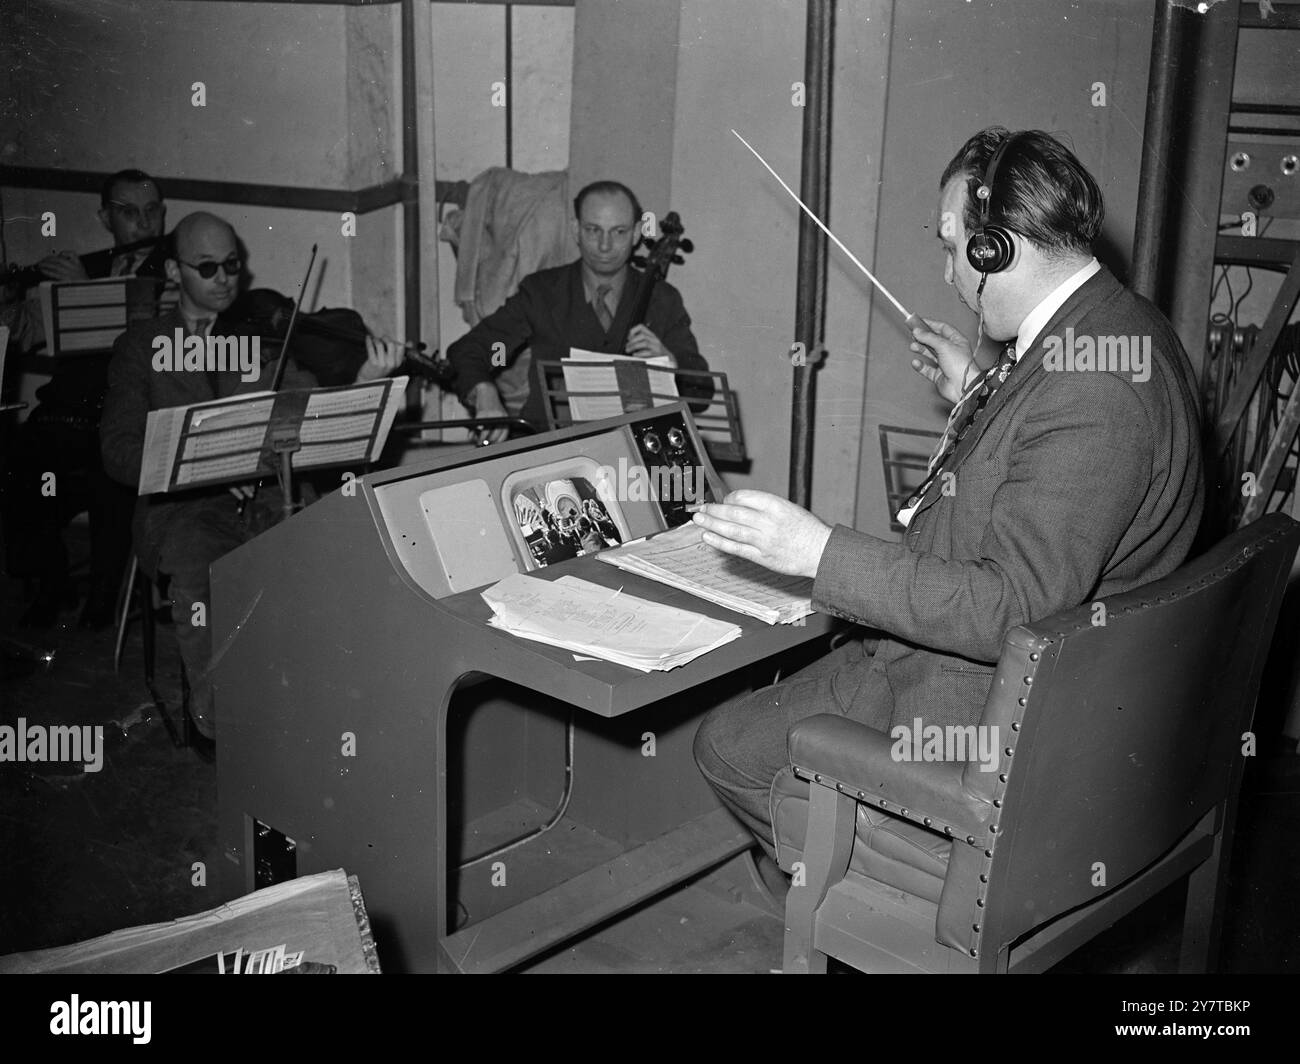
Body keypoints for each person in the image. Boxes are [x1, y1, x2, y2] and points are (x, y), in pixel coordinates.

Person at [691, 128, 1206, 873]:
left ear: (996, 248)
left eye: (950, 245)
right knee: (760, 717)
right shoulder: (1118, 327)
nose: (946, 273)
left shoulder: (1090, 390)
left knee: (728, 747)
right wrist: (979, 390)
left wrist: (817, 552)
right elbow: (1057, 456)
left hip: (980, 717)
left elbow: (1009, 606)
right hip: (1049, 690)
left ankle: (874, 904)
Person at [99, 211, 403, 742]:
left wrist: (363, 381)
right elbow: (118, 451)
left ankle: (315, 708)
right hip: (183, 509)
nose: (223, 279)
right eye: (207, 267)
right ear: (174, 271)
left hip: (268, 492)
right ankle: (222, 724)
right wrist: (207, 465)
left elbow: (308, 409)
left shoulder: (260, 339)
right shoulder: (141, 347)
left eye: (232, 265)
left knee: (321, 555)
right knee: (201, 576)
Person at [2, 170, 170, 629]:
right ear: (104, 217)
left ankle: (105, 595)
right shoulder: (89, 265)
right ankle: (50, 582)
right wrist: (10, 300)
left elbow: (147, 342)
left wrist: (83, 292)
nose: (144, 222)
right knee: (17, 469)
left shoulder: (172, 272)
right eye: (129, 212)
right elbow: (27, 335)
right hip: (66, 416)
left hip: (126, 419)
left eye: (152, 210)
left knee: (110, 475)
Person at [447, 180, 711, 442]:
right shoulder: (542, 291)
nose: (605, 245)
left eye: (618, 231)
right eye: (593, 230)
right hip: (550, 448)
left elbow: (703, 393)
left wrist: (670, 363)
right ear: (576, 230)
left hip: (636, 450)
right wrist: (485, 389)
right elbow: (477, 350)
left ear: (636, 233)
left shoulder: (662, 300)